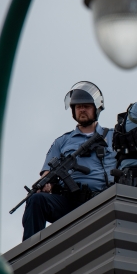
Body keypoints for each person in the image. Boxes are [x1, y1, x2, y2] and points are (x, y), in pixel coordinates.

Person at [22, 81, 116, 240]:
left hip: (104, 200)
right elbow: (47, 172)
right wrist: (45, 183)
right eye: (78, 107)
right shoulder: (62, 141)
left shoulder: (113, 136)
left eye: (86, 106)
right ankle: (28, 254)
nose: (82, 110)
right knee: (36, 200)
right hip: (70, 203)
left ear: (96, 108)